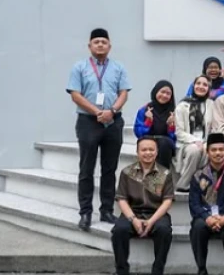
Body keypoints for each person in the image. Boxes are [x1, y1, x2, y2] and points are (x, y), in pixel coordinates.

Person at [66, 28, 132, 230]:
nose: (100, 45)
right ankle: (85, 212)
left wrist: (112, 111)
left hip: (113, 121)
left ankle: (106, 210)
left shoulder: (118, 67)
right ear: (90, 46)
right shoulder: (79, 67)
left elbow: (123, 93)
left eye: (104, 42)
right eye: (96, 42)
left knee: (109, 169)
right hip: (88, 122)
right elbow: (75, 95)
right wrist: (97, 111)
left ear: (109, 46)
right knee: (86, 168)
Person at [111, 136, 174, 275]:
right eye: (144, 150)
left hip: (156, 213)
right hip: (133, 212)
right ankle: (122, 270)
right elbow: (122, 199)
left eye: (151, 149)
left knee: (164, 231)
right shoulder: (127, 172)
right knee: (119, 230)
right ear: (137, 152)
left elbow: (167, 201)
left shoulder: (164, 174)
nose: (148, 153)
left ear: (157, 152)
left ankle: (157, 270)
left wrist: (151, 221)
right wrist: (133, 219)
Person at [188, 133, 224, 275]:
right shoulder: (199, 175)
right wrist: (207, 217)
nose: (218, 153)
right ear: (207, 152)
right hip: (206, 215)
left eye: (221, 149)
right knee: (198, 227)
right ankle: (202, 269)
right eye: (213, 150)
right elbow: (194, 202)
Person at [174, 75, 214, 191]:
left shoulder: (211, 104)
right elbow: (179, 132)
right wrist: (195, 141)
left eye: (205, 85)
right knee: (195, 150)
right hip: (186, 142)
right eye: (198, 83)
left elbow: (213, 128)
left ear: (208, 89)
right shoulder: (182, 105)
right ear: (193, 86)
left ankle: (201, 182)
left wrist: (206, 142)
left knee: (209, 150)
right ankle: (183, 184)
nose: (201, 86)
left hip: (206, 140)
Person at [134, 80, 176, 169]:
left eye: (168, 93)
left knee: (164, 143)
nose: (164, 95)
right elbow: (138, 133)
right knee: (150, 146)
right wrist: (148, 122)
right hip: (148, 140)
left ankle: (162, 175)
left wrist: (171, 126)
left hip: (166, 145)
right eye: (162, 92)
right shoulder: (145, 109)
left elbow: (175, 137)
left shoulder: (174, 112)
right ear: (156, 91)